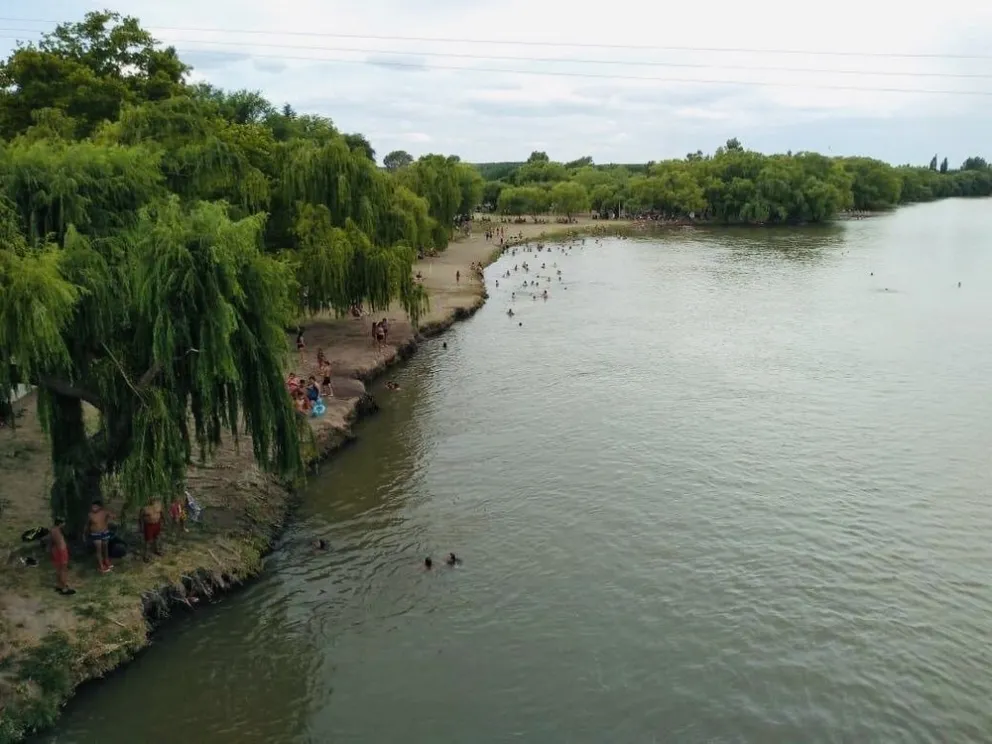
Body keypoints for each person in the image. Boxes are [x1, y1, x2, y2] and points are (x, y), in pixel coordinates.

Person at [85, 500, 114, 573]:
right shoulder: (90, 515)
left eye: (95, 506)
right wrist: (84, 533)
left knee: (105, 547)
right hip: (95, 534)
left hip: (104, 532)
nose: (93, 508)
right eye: (92, 506)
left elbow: (113, 516)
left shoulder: (104, 512)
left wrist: (109, 514)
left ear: (99, 507)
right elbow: (87, 525)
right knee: (99, 549)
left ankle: (106, 561)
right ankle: (101, 565)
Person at [49, 517, 75, 595]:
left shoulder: (53, 530)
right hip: (61, 551)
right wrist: (63, 552)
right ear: (60, 523)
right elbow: (59, 543)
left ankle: (59, 585)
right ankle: (64, 588)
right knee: (63, 569)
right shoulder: (56, 531)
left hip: (56, 550)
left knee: (59, 569)